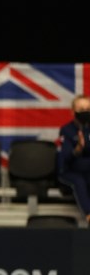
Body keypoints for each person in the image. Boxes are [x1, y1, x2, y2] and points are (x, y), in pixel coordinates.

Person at [58, 94, 90, 224]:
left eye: (88, 109)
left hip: (87, 170)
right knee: (79, 181)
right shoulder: (67, 130)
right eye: (81, 110)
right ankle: (89, 215)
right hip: (69, 171)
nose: (85, 113)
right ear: (73, 111)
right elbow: (64, 158)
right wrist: (77, 150)